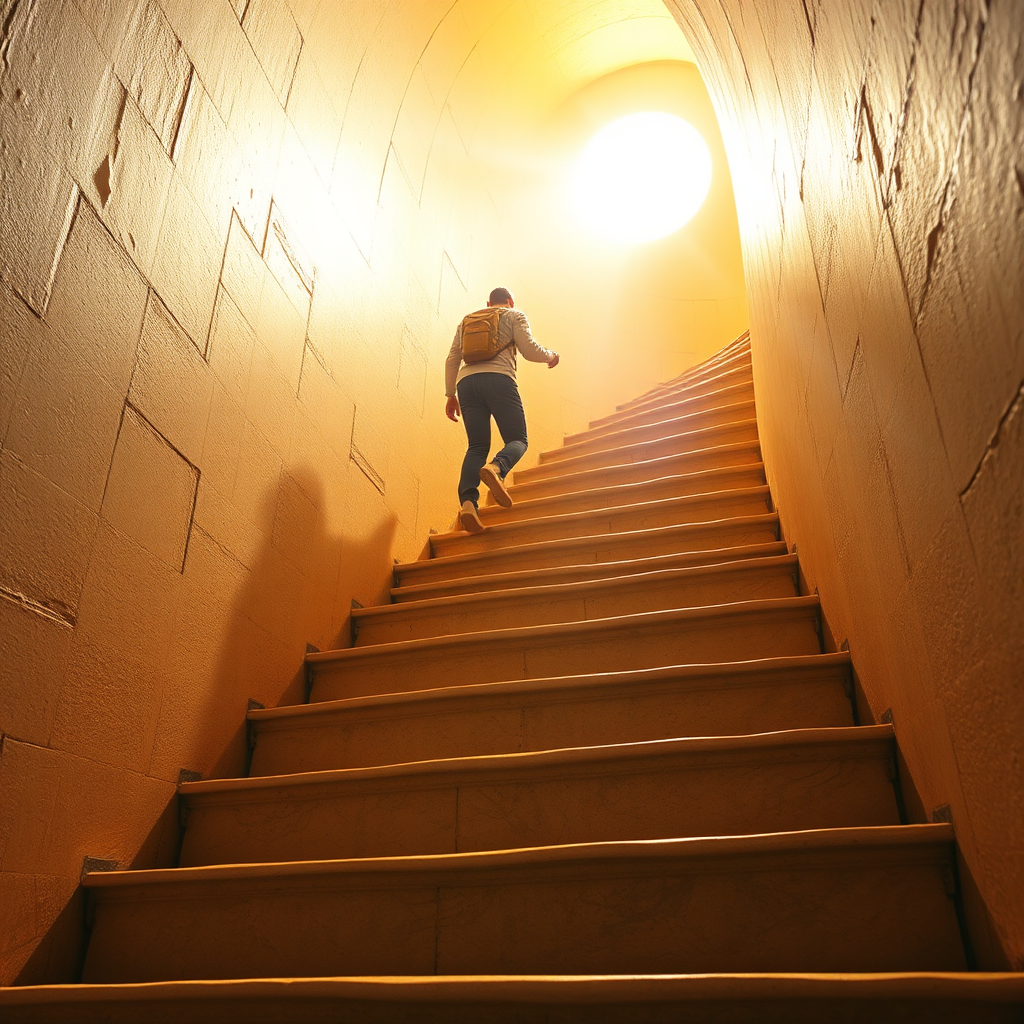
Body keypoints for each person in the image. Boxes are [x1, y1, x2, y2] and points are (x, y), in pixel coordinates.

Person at [445, 287, 559, 533]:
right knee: (518, 439)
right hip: (499, 379)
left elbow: (453, 358)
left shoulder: (466, 320)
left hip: (466, 384)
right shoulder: (514, 315)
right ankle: (497, 468)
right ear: (510, 301)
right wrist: (550, 355)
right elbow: (529, 350)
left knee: (476, 446)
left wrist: (450, 395)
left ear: (488, 303)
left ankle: (468, 504)